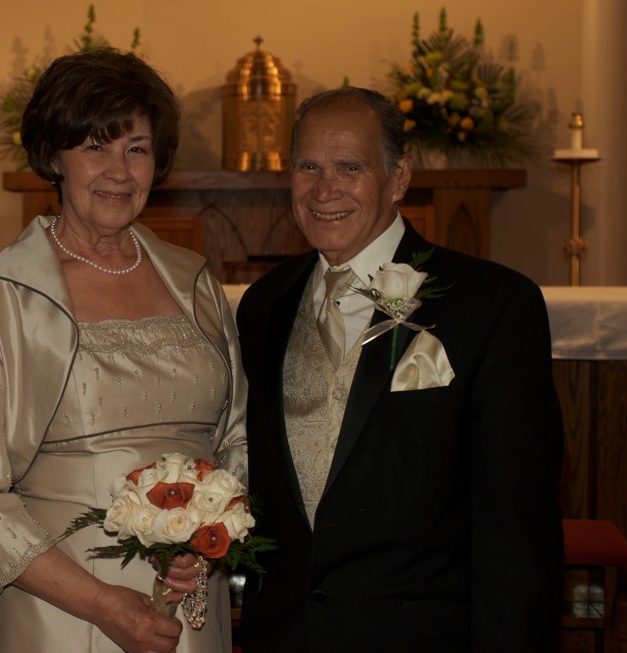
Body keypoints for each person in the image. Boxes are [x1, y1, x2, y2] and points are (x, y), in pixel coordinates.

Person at [0, 48, 247, 653]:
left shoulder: (195, 282)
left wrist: (208, 540)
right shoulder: (2, 297)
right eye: (94, 147)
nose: (119, 172)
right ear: (53, 156)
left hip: (188, 603)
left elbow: (236, 439)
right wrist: (102, 603)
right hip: (60, 609)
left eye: (137, 148)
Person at [236, 87, 564, 651]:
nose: (324, 189)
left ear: (399, 176)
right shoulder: (264, 304)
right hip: (285, 635)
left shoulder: (492, 306)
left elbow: (517, 529)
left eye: (350, 167)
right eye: (308, 166)